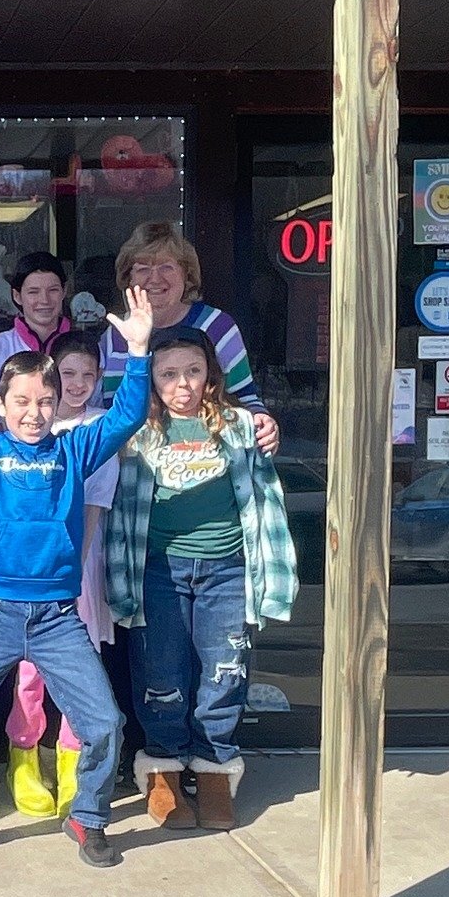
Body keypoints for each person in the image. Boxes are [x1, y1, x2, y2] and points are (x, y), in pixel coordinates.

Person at [0, 284, 155, 870]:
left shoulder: (74, 451)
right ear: (1, 405)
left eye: (45, 401)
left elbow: (126, 416)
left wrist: (142, 352)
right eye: (21, 401)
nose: (34, 412)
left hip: (56, 621)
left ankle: (88, 816)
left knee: (103, 723)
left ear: (59, 403)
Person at [106, 327, 297, 833]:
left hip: (226, 569)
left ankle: (215, 771)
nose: (182, 385)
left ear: (210, 372)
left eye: (193, 371)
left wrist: (267, 427)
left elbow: (262, 495)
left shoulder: (237, 425)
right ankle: (165, 770)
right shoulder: (136, 430)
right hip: (159, 571)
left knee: (224, 671)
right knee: (161, 671)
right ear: (151, 379)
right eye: (168, 374)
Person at [4, 330, 119, 821]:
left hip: (79, 568)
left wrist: (70, 571)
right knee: (29, 672)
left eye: (86, 375)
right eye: (66, 374)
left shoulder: (100, 431)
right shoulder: (26, 429)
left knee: (79, 672)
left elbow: (93, 510)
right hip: (30, 570)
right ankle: (24, 758)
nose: (76, 384)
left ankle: (73, 759)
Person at [98, 222, 280, 455]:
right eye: (143, 268)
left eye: (167, 267)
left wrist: (263, 421)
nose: (155, 278)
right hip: (133, 469)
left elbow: (245, 398)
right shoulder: (115, 335)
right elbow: (100, 411)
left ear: (186, 274)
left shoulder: (217, 328)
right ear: (128, 278)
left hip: (209, 463)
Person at [0, 252, 72, 422]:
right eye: (33, 292)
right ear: (17, 295)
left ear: (64, 291)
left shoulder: (83, 346)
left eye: (53, 290)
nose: (44, 300)